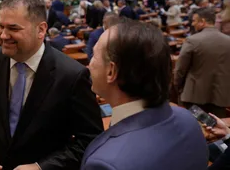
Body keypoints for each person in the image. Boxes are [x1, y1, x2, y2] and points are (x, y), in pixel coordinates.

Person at [0, 0, 103, 170]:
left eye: (13, 29)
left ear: (41, 30)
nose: (3, 35)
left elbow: (90, 139)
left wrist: (41, 167)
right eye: (1, 26)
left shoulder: (72, 75)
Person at [82, 20, 208, 170]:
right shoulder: (189, 120)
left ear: (111, 71)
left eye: (94, 56)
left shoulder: (105, 163)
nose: (89, 65)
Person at [174, 8, 230, 118]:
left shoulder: (192, 40)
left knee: (197, 126)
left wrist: (178, 87)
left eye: (194, 21)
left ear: (202, 21)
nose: (193, 24)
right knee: (215, 128)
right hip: (221, 97)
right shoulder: (228, 41)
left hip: (195, 97)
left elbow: (180, 69)